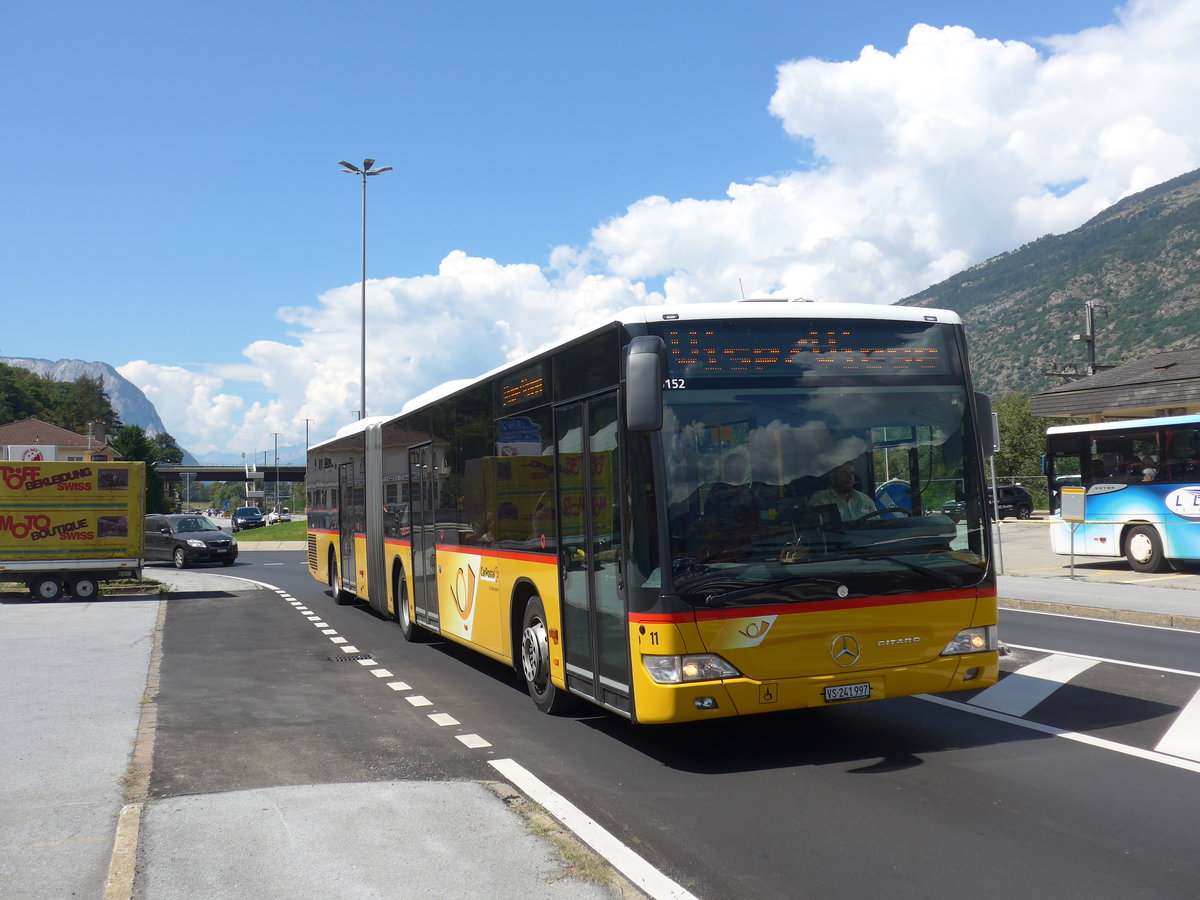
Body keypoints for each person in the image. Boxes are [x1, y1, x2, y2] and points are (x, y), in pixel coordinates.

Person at [809, 461, 877, 521]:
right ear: (832, 477)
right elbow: (813, 532)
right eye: (844, 473)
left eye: (852, 473)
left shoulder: (866, 500)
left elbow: (878, 528)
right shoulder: (819, 501)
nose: (850, 477)